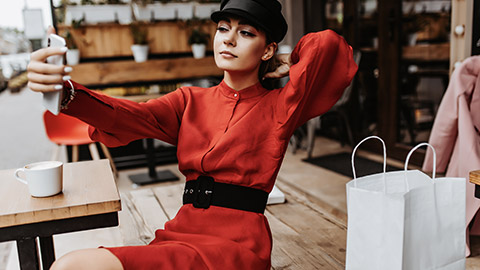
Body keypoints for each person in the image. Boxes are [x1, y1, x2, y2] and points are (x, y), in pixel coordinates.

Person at [27, 0, 357, 269]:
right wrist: (66, 93)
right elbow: (128, 115)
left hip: (237, 245)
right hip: (180, 232)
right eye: (223, 29)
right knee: (72, 265)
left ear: (267, 49)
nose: (228, 39)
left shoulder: (280, 107)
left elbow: (328, 47)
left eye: (245, 33)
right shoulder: (189, 101)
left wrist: (289, 59)